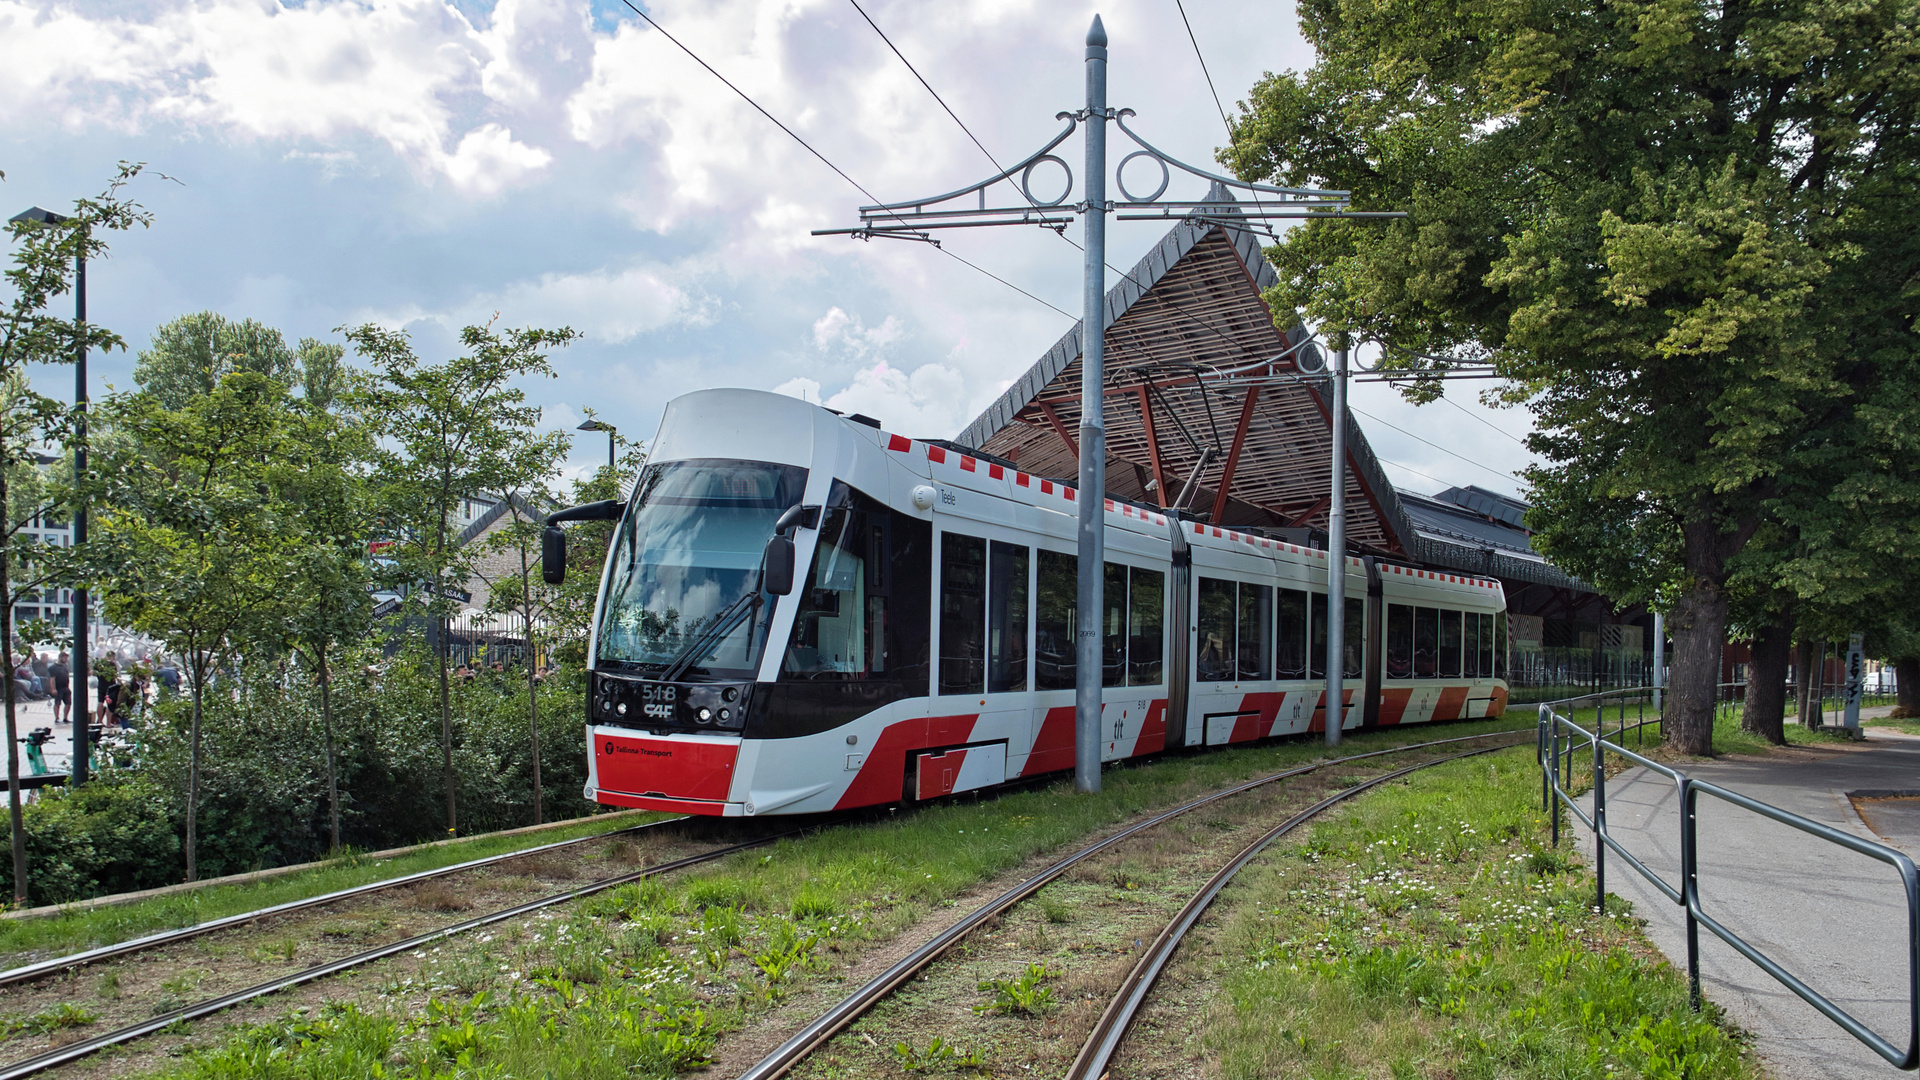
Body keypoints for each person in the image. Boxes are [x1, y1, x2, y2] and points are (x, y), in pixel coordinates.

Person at [48, 652, 70, 724]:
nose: (66, 659)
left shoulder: (65, 666)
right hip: (58, 687)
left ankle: (65, 717)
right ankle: (56, 717)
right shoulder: (53, 667)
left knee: (68, 703)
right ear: (60, 657)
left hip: (66, 687)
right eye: (65, 658)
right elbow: (52, 679)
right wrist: (53, 688)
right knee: (57, 703)